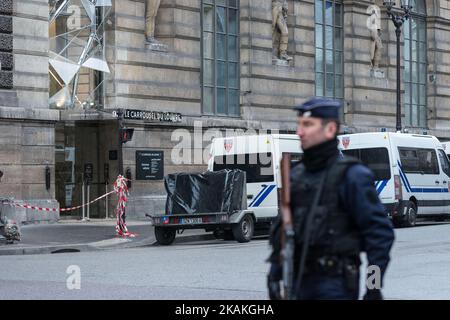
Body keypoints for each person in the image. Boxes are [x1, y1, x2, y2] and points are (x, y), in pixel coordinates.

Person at [267, 97, 395, 300]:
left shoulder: (352, 176)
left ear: (330, 129)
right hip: (299, 284)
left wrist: (373, 288)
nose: (299, 132)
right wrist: (274, 274)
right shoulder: (296, 175)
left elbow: (380, 236)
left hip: (336, 285)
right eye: (299, 124)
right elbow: (284, 234)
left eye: (308, 125)